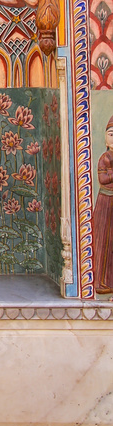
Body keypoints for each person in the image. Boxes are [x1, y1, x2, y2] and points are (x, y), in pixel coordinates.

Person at [93, 114, 113, 294]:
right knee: (104, 240)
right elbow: (103, 178)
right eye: (111, 134)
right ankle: (101, 281)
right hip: (106, 203)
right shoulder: (104, 158)